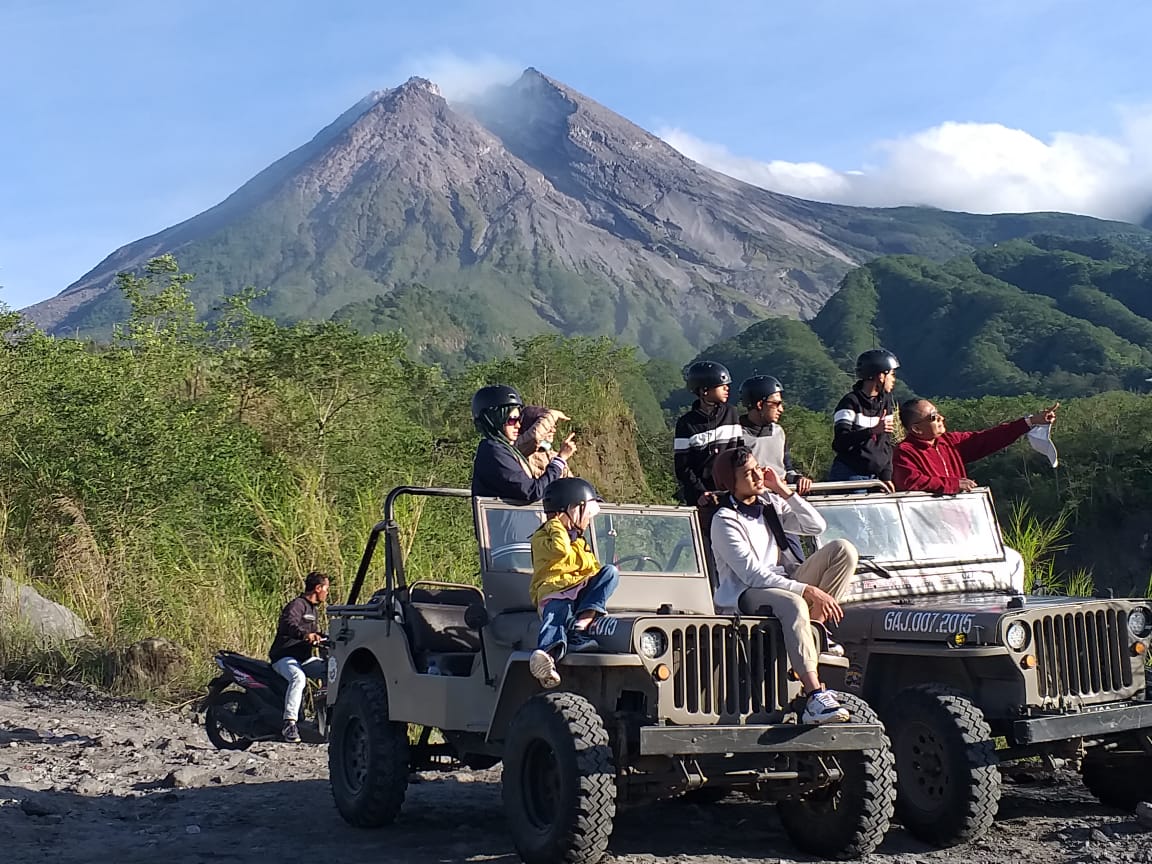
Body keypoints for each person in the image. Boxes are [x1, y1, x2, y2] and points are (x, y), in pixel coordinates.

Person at [709, 447, 859, 725]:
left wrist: (782, 489)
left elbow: (816, 526)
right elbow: (753, 575)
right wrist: (807, 590)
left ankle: (813, 633)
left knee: (843, 551)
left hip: (782, 580)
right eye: (748, 474)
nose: (757, 476)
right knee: (792, 602)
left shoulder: (769, 504)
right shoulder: (725, 520)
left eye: (757, 468)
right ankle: (815, 693)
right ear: (731, 483)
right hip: (745, 593)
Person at [528, 478, 620, 688]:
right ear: (570, 510)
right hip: (555, 591)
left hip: (579, 593)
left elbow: (592, 569)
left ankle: (580, 627)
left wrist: (599, 578)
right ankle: (546, 656)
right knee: (556, 615)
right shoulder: (543, 537)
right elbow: (560, 550)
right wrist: (555, 522)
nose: (588, 520)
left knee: (610, 572)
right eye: (586, 513)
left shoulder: (579, 541)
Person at [893, 400, 1059, 494]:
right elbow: (910, 482)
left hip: (960, 517)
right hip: (929, 525)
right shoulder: (904, 452)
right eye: (933, 417)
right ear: (916, 428)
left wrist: (1030, 422)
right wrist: (954, 484)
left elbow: (988, 438)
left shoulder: (949, 442)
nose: (941, 418)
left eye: (938, 413)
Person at [674, 361, 743, 575]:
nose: (727, 389)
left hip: (732, 497)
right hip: (702, 502)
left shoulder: (731, 414)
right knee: (709, 553)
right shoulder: (686, 424)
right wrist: (701, 492)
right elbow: (683, 468)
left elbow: (740, 453)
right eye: (721, 386)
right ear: (705, 391)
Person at [471, 384, 577, 501]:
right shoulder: (494, 452)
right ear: (495, 419)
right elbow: (532, 491)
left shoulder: (503, 450)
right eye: (512, 420)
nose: (518, 425)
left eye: (519, 420)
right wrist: (559, 460)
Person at [269, 571, 330, 743]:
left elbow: (314, 633)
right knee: (298, 678)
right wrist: (305, 635)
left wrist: (324, 637)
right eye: (326, 588)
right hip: (284, 657)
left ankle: (324, 722)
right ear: (318, 588)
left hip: (304, 660)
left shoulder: (313, 610)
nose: (327, 592)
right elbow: (289, 623)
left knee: (330, 672)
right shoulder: (297, 605)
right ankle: (289, 724)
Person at [828, 349, 900, 489]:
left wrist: (886, 475)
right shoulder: (850, 402)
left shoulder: (885, 402)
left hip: (876, 477)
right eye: (892, 375)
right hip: (849, 474)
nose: (894, 380)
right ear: (880, 376)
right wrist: (872, 431)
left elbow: (886, 443)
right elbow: (840, 442)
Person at [738, 375, 812, 495]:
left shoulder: (779, 432)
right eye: (776, 404)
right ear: (760, 404)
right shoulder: (736, 434)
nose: (781, 409)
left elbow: (787, 469)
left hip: (780, 499)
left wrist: (798, 479)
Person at [515, 405, 572, 478]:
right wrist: (552, 415)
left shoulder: (554, 456)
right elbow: (534, 436)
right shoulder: (519, 454)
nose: (553, 430)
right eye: (549, 427)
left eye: (554, 426)